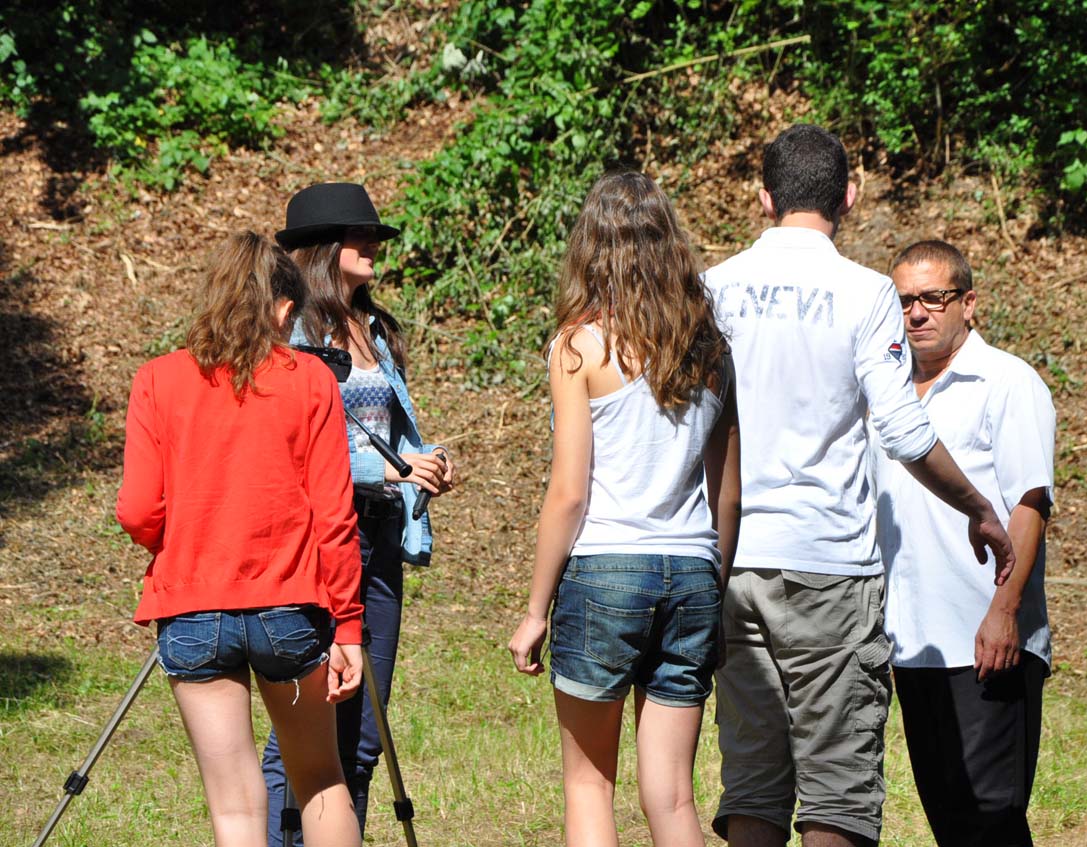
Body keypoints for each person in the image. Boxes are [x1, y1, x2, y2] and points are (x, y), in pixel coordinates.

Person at [704, 124, 1016, 847]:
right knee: (838, 791)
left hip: (733, 561)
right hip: (830, 568)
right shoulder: (867, 292)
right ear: (849, 196)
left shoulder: (714, 287)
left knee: (751, 783)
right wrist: (977, 506)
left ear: (764, 197)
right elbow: (903, 430)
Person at [507, 171, 741, 847]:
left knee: (588, 787)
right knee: (673, 795)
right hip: (692, 571)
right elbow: (727, 491)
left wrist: (535, 610)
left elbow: (569, 492)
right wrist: (715, 581)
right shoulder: (711, 349)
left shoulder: (580, 346)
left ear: (591, 246)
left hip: (606, 570)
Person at [116, 231, 364, 847]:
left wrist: (182, 536)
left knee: (232, 805)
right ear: (282, 308)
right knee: (321, 779)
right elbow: (335, 517)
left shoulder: (157, 379)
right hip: (290, 607)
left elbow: (138, 509)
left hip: (192, 606)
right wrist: (349, 626)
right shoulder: (311, 380)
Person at [260, 182, 456, 842]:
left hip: (380, 532)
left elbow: (385, 433)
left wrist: (424, 460)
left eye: (373, 234)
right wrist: (389, 470)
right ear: (323, 247)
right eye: (359, 234)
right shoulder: (291, 332)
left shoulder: (376, 330)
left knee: (366, 732)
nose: (373, 243)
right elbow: (293, 448)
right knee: (305, 731)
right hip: (320, 540)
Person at [872, 240, 1055, 846]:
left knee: (991, 821)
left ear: (968, 303)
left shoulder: (1006, 381)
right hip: (912, 642)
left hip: (985, 641)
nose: (916, 313)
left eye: (933, 298)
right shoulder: (886, 393)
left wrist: (1004, 613)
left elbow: (1030, 504)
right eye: (903, 301)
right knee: (951, 823)